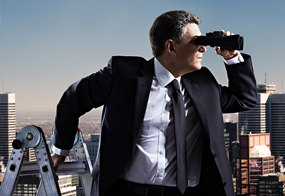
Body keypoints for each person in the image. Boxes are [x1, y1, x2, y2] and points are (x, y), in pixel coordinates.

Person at [50, 10, 257, 196]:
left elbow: (245, 99)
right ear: (171, 47)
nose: (203, 48)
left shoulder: (204, 84)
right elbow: (73, 98)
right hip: (127, 191)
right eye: (196, 41)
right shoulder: (123, 75)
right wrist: (60, 151)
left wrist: (232, 58)